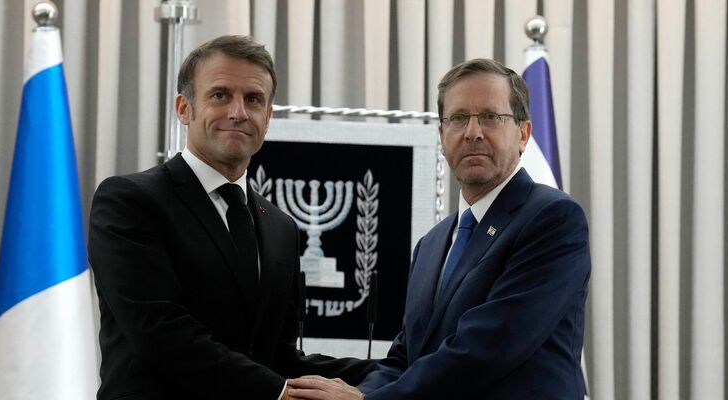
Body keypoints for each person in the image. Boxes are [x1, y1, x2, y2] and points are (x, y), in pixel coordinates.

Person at [88, 35, 374, 400]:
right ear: (184, 108)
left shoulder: (280, 227)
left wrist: (391, 373)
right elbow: (160, 334)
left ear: (268, 117)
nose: (238, 112)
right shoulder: (130, 201)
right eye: (220, 95)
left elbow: (277, 357)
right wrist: (279, 392)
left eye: (253, 99)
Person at [286, 58, 591, 399]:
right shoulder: (431, 245)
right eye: (458, 118)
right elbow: (405, 358)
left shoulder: (553, 218)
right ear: (442, 136)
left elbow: (489, 347)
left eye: (490, 117)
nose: (472, 132)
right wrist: (360, 392)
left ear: (523, 134)